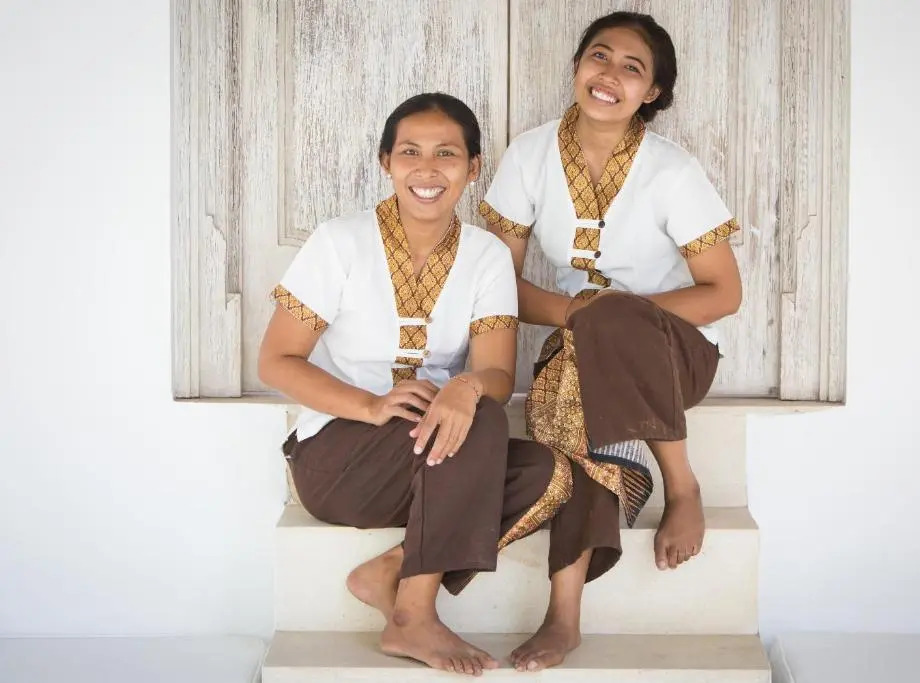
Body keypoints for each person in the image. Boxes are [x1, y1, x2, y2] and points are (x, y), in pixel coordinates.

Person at [258, 92, 570, 677]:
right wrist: (371, 405)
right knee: (483, 422)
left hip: (432, 452)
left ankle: (391, 570)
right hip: (339, 459)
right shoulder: (339, 241)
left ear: (473, 168)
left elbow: (497, 374)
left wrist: (465, 387)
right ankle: (414, 615)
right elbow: (276, 361)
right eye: (410, 153)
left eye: (447, 154)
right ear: (387, 163)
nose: (428, 170)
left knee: (546, 473)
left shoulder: (485, 256)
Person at [479, 12, 743, 672]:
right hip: (578, 346)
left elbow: (723, 292)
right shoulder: (529, 155)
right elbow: (495, 282)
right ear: (577, 66)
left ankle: (681, 485)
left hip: (677, 355)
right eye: (600, 57)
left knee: (611, 322)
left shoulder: (672, 171)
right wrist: (579, 313)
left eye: (633, 68)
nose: (610, 75)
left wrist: (615, 315)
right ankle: (563, 616)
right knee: (573, 415)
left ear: (651, 92)